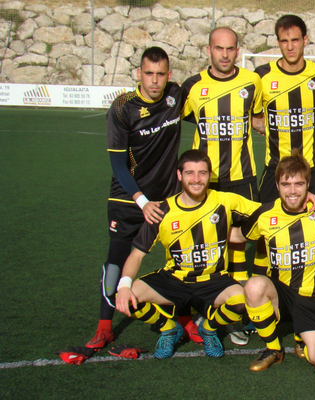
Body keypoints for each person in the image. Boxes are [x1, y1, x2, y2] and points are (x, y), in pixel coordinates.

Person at [85, 46, 199, 353]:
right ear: (138, 73)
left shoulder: (175, 95)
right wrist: (141, 201)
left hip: (166, 200)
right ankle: (104, 328)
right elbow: (118, 165)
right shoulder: (122, 108)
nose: (154, 81)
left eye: (161, 74)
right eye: (148, 73)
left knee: (181, 260)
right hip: (128, 200)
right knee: (115, 265)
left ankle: (186, 320)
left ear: (169, 75)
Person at [115, 150, 260, 359]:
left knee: (242, 300)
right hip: (175, 279)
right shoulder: (162, 211)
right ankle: (168, 328)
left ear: (210, 175)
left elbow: (265, 212)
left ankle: (208, 329)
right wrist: (124, 286)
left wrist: (300, 202)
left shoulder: (225, 201)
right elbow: (136, 255)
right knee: (127, 297)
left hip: (214, 280)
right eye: (190, 173)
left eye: (202, 173)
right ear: (179, 175)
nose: (196, 179)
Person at [233, 150, 315, 373]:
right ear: (277, 186)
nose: (292, 191)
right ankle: (274, 349)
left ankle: (300, 335)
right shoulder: (265, 214)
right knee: (254, 286)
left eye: (299, 184)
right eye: (286, 184)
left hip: (314, 298)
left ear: (308, 185)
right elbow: (237, 235)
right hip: (281, 294)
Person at [181, 27, 263, 294]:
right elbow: (181, 118)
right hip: (205, 180)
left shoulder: (252, 82)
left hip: (243, 177)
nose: (225, 55)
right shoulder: (192, 86)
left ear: (238, 51)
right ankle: (211, 297)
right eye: (219, 48)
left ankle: (237, 304)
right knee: (208, 242)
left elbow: (258, 116)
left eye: (230, 49)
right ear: (208, 50)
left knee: (240, 241)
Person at [253, 15, 315, 205]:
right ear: (278, 42)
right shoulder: (262, 75)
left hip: (314, 168)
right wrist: (260, 123)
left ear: (305, 40)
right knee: (268, 228)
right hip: (275, 166)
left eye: (295, 40)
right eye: (284, 41)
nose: (290, 47)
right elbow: (248, 111)